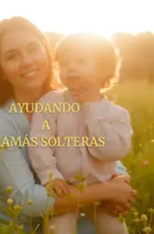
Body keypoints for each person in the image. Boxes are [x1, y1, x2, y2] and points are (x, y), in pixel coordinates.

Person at [0, 17, 136, 231]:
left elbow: (97, 148)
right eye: (12, 56)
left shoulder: (74, 99)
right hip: (17, 225)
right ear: (1, 71)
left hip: (72, 209)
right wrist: (107, 191)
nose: (27, 61)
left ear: (46, 52)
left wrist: (120, 178)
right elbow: (26, 200)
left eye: (33, 49)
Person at [28, 32, 132, 234]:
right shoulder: (50, 104)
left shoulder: (117, 114)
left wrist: (91, 108)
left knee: (116, 229)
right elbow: (40, 143)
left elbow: (111, 151)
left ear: (104, 69)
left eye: (81, 61)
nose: (71, 68)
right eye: (65, 64)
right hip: (65, 190)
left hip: (102, 193)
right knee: (58, 230)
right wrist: (51, 176)